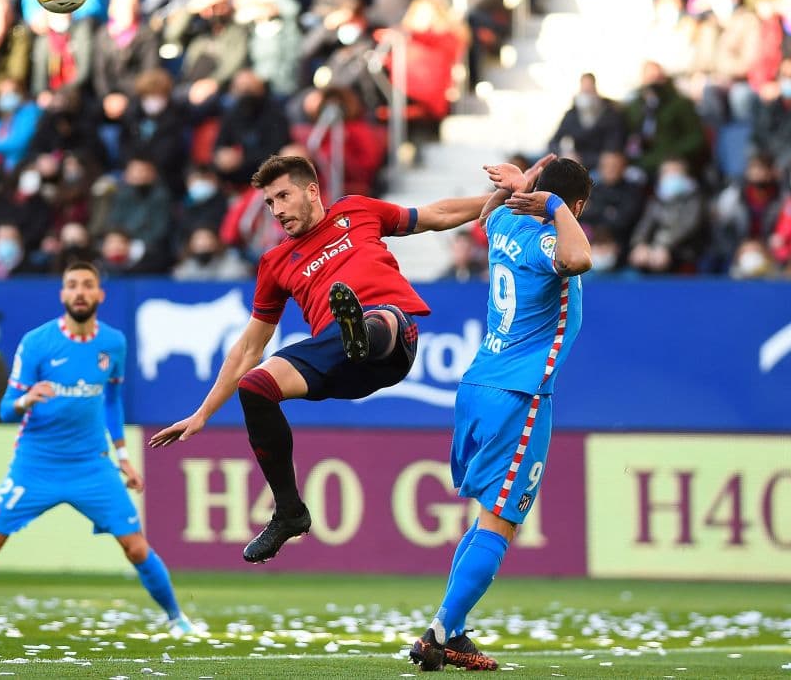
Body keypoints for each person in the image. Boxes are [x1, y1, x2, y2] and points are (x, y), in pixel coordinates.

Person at [149, 153, 550, 563]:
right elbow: (249, 348)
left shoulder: (356, 211)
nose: (278, 210)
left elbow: (435, 213)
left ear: (311, 190)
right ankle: (289, 511)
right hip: (337, 362)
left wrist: (505, 196)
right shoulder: (273, 263)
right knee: (256, 387)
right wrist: (202, 413)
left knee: (377, 318)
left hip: (393, 343)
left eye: (283, 196)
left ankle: (360, 331)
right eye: (270, 203)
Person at [0, 262, 195, 637]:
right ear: (62, 295)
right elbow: (4, 409)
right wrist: (25, 400)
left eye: (87, 285)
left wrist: (124, 459)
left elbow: (112, 402)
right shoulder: (37, 343)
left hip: (92, 467)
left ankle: (177, 618)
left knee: (136, 548)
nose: (80, 292)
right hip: (36, 465)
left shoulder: (113, 343)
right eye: (72, 285)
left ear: (100, 294)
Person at [409, 157, 592, 672]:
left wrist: (521, 190)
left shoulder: (508, 225)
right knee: (502, 521)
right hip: (520, 395)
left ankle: (456, 631)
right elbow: (580, 258)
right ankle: (439, 633)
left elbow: (487, 216)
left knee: (487, 515)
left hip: (478, 383)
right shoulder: (547, 241)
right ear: (576, 206)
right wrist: (552, 203)